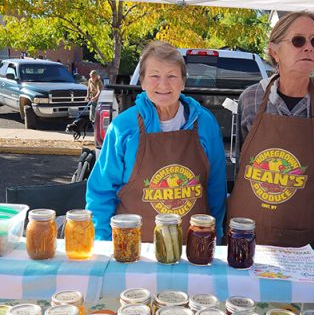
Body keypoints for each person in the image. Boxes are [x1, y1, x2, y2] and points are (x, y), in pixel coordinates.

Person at [227, 11, 314, 249]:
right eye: (298, 40)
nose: (308, 47)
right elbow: (241, 170)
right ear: (275, 51)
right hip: (246, 236)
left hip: (305, 244)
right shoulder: (251, 99)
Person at [86, 41, 227, 242]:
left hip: (192, 250)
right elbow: (101, 192)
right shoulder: (123, 128)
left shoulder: (205, 123)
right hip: (133, 251)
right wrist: (104, 243)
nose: (163, 84)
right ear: (142, 82)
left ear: (183, 82)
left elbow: (216, 189)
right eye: (154, 76)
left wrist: (216, 237)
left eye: (172, 76)